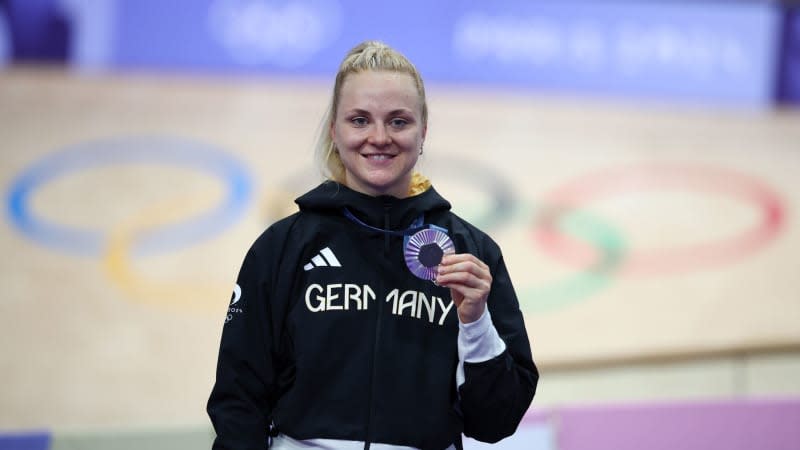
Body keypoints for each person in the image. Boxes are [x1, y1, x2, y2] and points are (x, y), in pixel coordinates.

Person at [207, 40, 538, 450]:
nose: (379, 138)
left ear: (423, 132)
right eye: (359, 120)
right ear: (334, 130)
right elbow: (238, 400)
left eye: (398, 122)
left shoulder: (472, 253)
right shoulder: (282, 247)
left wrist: (475, 323)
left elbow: (496, 422)